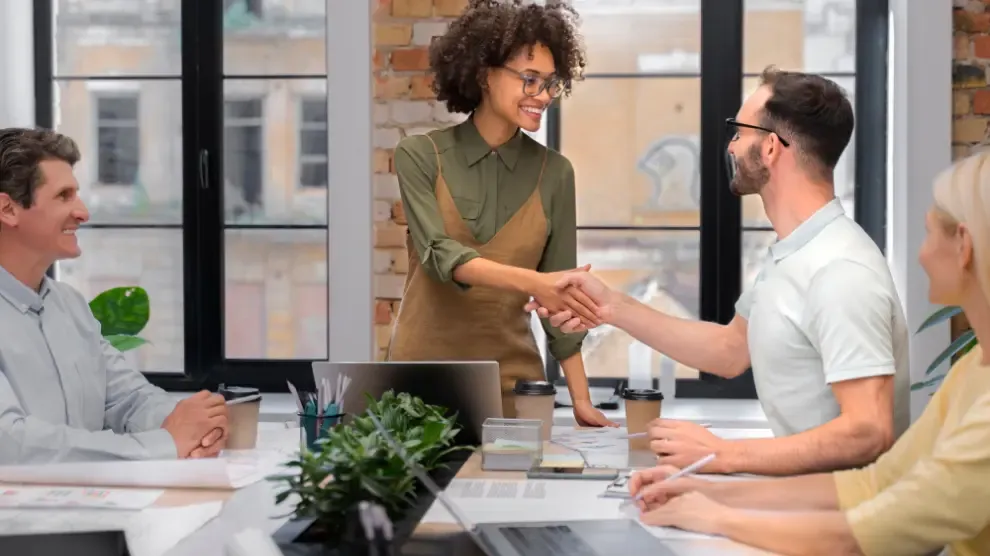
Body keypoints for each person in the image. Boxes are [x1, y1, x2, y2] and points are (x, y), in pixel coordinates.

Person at [527, 67, 911, 474]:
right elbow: (730, 350)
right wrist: (611, 306)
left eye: (740, 131)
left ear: (770, 149)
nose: (730, 147)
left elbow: (868, 431)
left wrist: (723, 454)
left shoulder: (840, 271)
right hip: (804, 504)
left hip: (844, 526)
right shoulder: (793, 252)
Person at [626, 151, 990, 556]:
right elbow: (872, 484)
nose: (920, 254)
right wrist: (706, 491)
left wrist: (713, 514)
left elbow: (864, 536)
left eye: (928, 234)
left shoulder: (843, 271)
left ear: (963, 245)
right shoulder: (972, 371)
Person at [387, 0, 615, 426]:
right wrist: (536, 283)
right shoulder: (419, 156)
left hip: (515, 390)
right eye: (529, 80)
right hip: (416, 386)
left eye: (550, 83)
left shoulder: (556, 174)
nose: (543, 95)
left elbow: (560, 303)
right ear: (484, 74)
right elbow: (440, 255)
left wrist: (581, 401)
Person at [0, 127, 228, 464]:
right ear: (8, 210)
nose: (82, 212)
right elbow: (11, 442)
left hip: (88, 505)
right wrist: (165, 443)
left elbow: (128, 399)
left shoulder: (70, 306)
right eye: (64, 196)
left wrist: (195, 425)